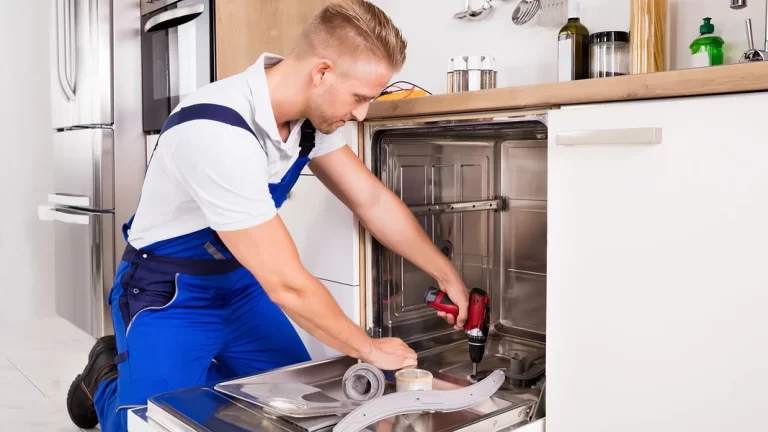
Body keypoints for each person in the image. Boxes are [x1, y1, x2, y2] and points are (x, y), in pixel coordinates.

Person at [66, 1, 469, 430]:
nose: (361, 113)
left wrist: (444, 272)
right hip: (169, 294)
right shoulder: (216, 130)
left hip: (241, 285)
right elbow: (288, 285)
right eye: (360, 97)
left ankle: (192, 376)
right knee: (158, 421)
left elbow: (372, 201)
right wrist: (368, 347)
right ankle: (108, 377)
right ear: (322, 72)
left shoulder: (308, 121)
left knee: (294, 411)